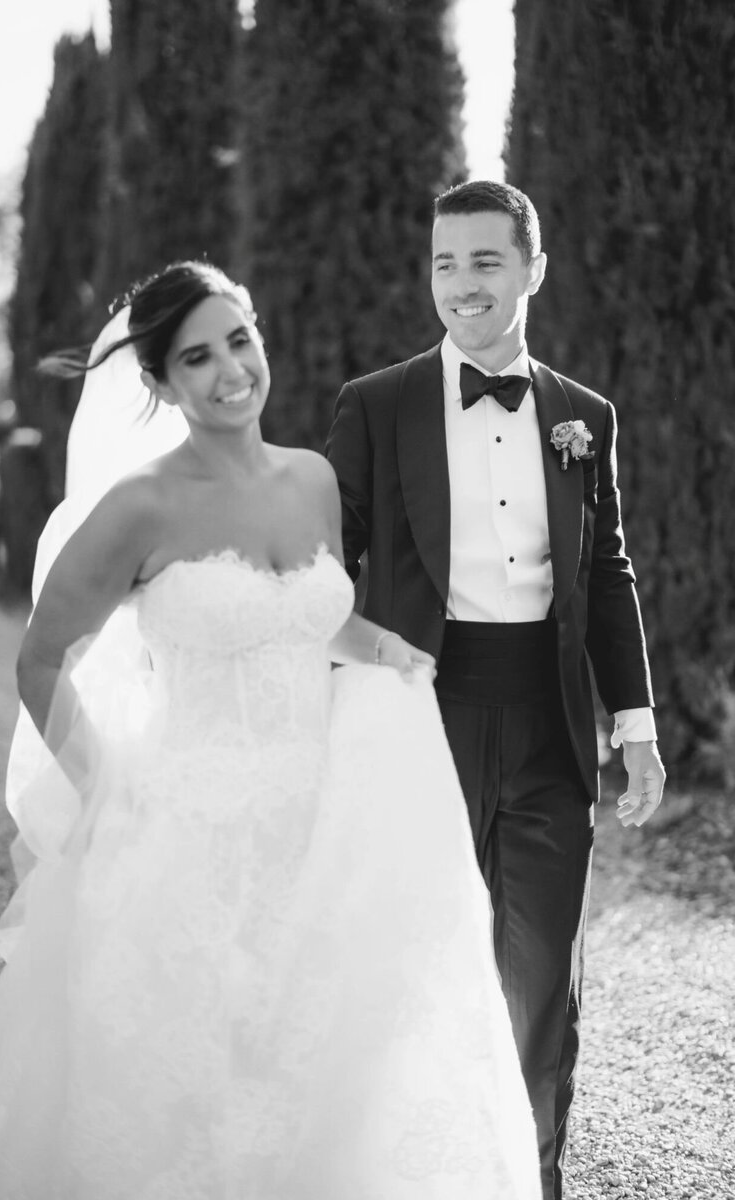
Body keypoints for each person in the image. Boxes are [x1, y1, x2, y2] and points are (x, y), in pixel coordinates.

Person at [0, 261, 541, 1198]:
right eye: (196, 357)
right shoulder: (139, 506)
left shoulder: (311, 480)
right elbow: (40, 658)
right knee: (192, 1085)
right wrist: (102, 793)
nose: (230, 372)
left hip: (320, 820)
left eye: (239, 340)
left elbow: (312, 616)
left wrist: (387, 650)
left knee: (320, 1064)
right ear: (159, 382)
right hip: (184, 832)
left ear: (261, 337)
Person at [326, 180, 666, 1200]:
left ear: (529, 270)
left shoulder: (582, 416)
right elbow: (322, 567)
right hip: (421, 713)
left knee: (538, 970)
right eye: (443, 262)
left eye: (483, 261)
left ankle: (530, 1178)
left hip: (550, 722)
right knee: (422, 965)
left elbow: (606, 574)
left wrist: (636, 725)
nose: (461, 284)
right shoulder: (374, 405)